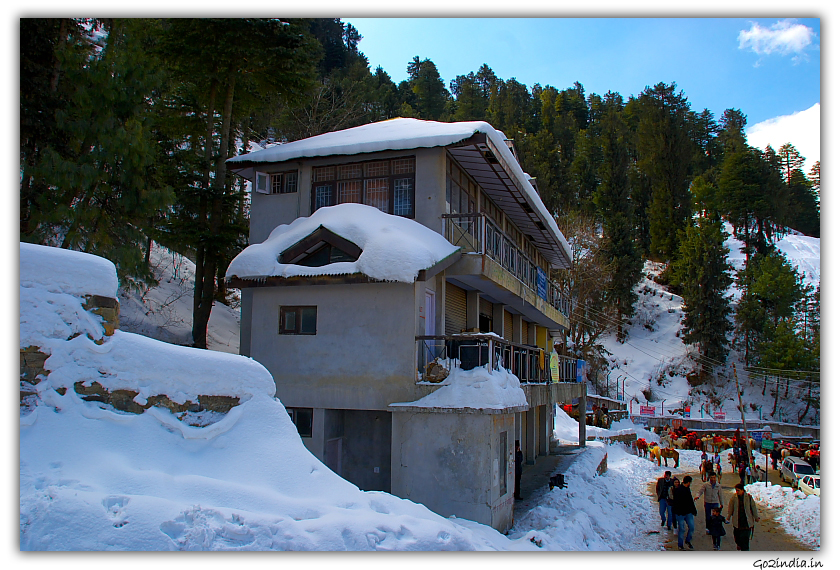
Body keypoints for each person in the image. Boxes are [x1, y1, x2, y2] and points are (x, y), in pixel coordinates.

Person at [726, 483, 760, 551]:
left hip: (746, 522)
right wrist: (728, 517)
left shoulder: (749, 498)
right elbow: (731, 508)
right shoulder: (734, 498)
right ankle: (739, 544)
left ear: (742, 490)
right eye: (736, 490)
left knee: (745, 539)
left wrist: (756, 517)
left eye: (738, 490)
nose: (737, 492)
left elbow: (753, 508)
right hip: (737, 521)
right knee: (737, 537)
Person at [671, 475, 697, 550]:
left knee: (691, 527)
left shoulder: (687, 489)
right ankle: (680, 545)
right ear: (688, 482)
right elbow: (676, 503)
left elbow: (690, 500)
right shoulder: (678, 490)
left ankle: (687, 540)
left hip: (688, 512)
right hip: (680, 513)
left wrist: (693, 510)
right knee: (682, 529)